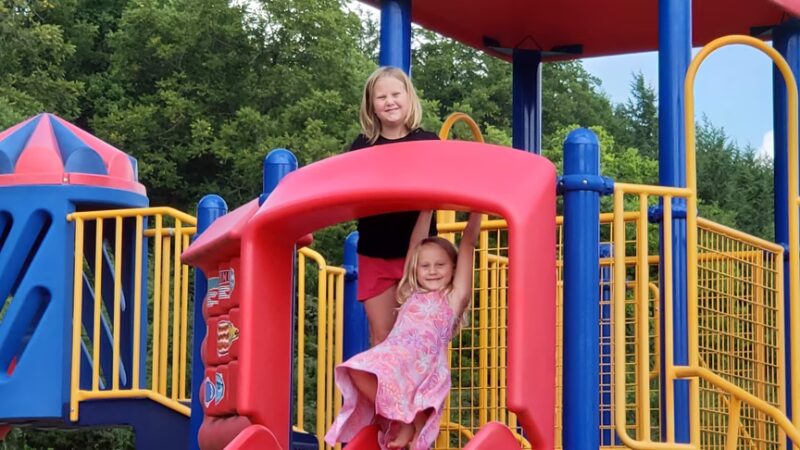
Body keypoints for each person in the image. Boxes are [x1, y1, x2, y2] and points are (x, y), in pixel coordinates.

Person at [325, 210, 482, 450]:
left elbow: (469, 243)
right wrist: (427, 209)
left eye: (440, 265)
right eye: (425, 266)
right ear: (415, 269)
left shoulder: (453, 297)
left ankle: (411, 424)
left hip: (423, 365)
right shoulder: (409, 291)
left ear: (453, 267)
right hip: (396, 358)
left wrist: (476, 210)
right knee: (354, 370)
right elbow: (415, 243)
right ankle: (402, 418)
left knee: (421, 440)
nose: (432, 271)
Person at [350, 66, 440, 346]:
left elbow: (440, 188)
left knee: (420, 335)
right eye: (381, 97)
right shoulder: (362, 147)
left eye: (395, 94)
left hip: (420, 255)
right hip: (376, 251)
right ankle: (384, 392)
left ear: (408, 98)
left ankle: (420, 391)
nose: (389, 102)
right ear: (372, 107)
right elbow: (352, 192)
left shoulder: (428, 142)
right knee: (382, 336)